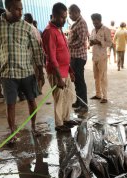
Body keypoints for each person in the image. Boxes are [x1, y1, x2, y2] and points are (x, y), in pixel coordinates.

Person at [0, 0, 45, 140]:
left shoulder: (27, 27)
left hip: (26, 72)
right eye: (17, 9)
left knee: (32, 101)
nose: (21, 12)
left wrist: (40, 71)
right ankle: (12, 132)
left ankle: (33, 126)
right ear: (7, 8)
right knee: (10, 104)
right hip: (7, 73)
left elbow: (36, 50)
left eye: (21, 9)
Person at [42, 2, 76, 132]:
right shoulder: (49, 32)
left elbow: (64, 52)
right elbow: (51, 57)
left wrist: (70, 71)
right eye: (62, 17)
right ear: (54, 15)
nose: (64, 20)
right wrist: (59, 78)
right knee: (59, 98)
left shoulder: (59, 29)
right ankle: (59, 123)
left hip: (65, 70)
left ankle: (66, 119)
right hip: (56, 73)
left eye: (65, 17)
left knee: (68, 96)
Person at [68, 4, 89, 113]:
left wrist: (69, 45)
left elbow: (81, 41)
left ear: (77, 12)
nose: (69, 15)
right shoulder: (75, 23)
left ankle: (84, 104)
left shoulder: (81, 23)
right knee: (76, 80)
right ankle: (78, 101)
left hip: (79, 57)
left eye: (71, 13)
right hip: (74, 56)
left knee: (80, 81)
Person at [89, 13, 112, 104]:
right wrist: (91, 43)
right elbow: (90, 41)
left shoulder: (106, 30)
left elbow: (110, 43)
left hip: (102, 57)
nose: (94, 23)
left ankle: (105, 97)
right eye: (93, 21)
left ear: (100, 20)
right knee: (96, 77)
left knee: (103, 77)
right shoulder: (92, 30)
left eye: (96, 21)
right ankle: (98, 94)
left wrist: (99, 42)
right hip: (94, 57)